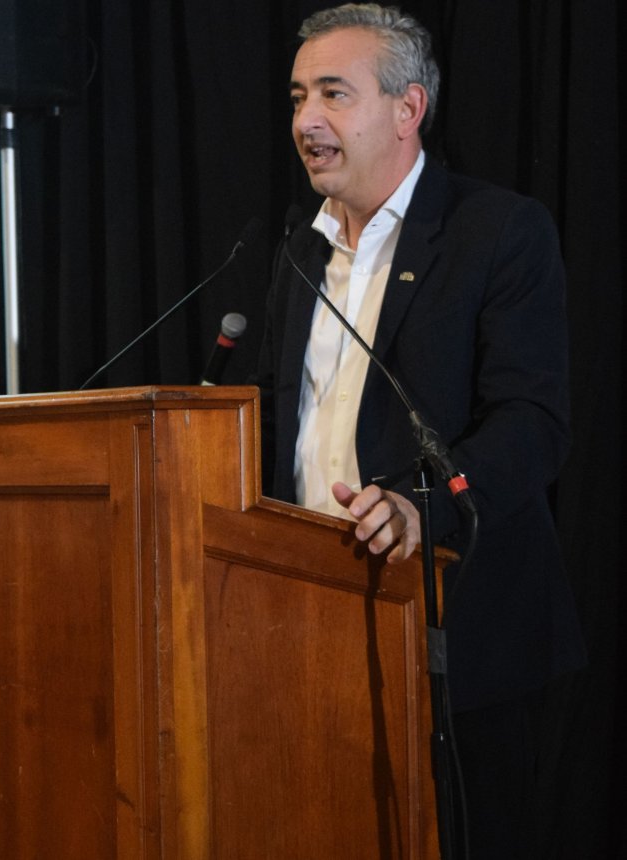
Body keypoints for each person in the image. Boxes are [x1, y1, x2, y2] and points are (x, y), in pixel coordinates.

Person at [254, 4, 586, 857]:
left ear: (408, 109)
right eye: (298, 96)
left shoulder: (497, 232)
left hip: (464, 636)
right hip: (313, 627)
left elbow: (533, 424)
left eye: (334, 92)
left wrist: (418, 506)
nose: (306, 120)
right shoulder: (300, 248)